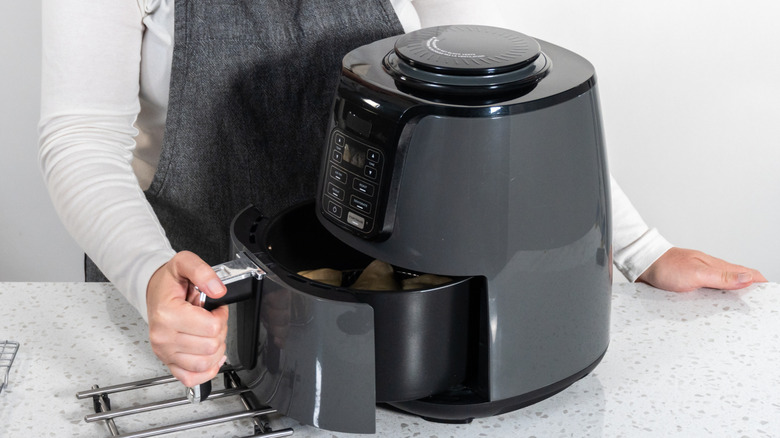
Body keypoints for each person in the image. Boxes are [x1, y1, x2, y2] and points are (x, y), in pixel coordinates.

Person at [38, 0, 766, 389]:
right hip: (195, 311)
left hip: (381, 307)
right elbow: (78, 138)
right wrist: (148, 280)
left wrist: (641, 248)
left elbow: (501, 93)